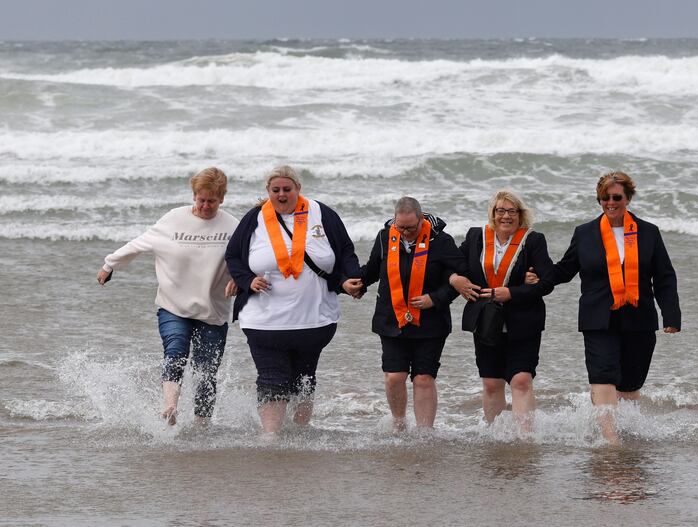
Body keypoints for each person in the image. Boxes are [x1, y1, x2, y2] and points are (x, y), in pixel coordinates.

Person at [528, 171, 680, 443]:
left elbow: (664, 276)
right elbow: (565, 269)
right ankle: (610, 440)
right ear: (599, 200)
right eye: (604, 198)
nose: (610, 203)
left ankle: (623, 430)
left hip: (639, 317)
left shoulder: (649, 232)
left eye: (616, 197)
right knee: (603, 374)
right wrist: (538, 277)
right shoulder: (585, 233)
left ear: (628, 198)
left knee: (630, 384)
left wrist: (671, 315)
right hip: (598, 317)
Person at [96, 167, 239, 426]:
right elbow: (140, 243)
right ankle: (170, 406)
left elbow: (247, 259)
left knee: (207, 371)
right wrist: (110, 264)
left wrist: (239, 280)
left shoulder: (232, 226)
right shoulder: (174, 220)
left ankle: (201, 427)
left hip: (213, 310)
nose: (206, 206)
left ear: (222, 199)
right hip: (173, 304)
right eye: (201, 200)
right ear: (194, 196)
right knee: (175, 350)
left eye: (212, 201)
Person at [225, 165, 361, 436]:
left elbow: (345, 251)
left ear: (298, 189)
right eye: (276, 190)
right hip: (264, 321)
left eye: (287, 189)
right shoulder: (255, 218)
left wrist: (350, 279)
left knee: (304, 378)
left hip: (315, 320)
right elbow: (233, 257)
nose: (282, 195)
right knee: (272, 378)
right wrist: (247, 280)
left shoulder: (322, 214)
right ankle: (272, 439)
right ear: (268, 192)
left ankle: (299, 438)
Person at [344, 197, 464, 431]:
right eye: (401, 227)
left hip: (431, 322)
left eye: (411, 227)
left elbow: (460, 278)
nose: (406, 232)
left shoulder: (441, 241)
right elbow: (373, 269)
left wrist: (435, 299)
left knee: (423, 378)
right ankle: (398, 425)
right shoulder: (385, 236)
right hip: (391, 319)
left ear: (422, 219)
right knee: (394, 377)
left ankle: (424, 432)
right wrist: (355, 285)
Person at [448, 191, 554, 433]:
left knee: (521, 380)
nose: (506, 216)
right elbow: (454, 264)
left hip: (524, 321)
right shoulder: (476, 237)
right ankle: (496, 437)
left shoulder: (533, 240)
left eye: (511, 211)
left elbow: (547, 282)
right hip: (486, 320)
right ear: (493, 214)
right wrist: (454, 279)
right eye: (500, 211)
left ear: (520, 215)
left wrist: (513, 292)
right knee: (491, 383)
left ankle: (524, 438)